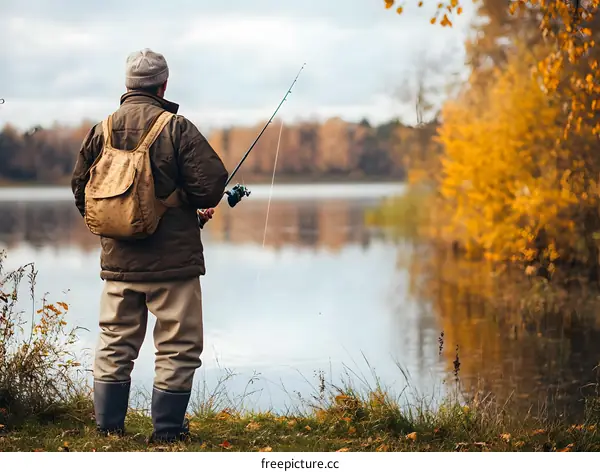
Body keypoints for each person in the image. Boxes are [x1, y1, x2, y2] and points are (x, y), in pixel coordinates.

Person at [71, 48, 228, 442]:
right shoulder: (176, 128)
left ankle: (108, 431)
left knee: (114, 342)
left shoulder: (101, 129)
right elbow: (210, 185)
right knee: (178, 346)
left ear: (127, 85)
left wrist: (117, 225)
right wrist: (188, 208)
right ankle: (167, 434)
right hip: (173, 264)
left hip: (119, 262)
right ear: (163, 85)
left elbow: (80, 191)